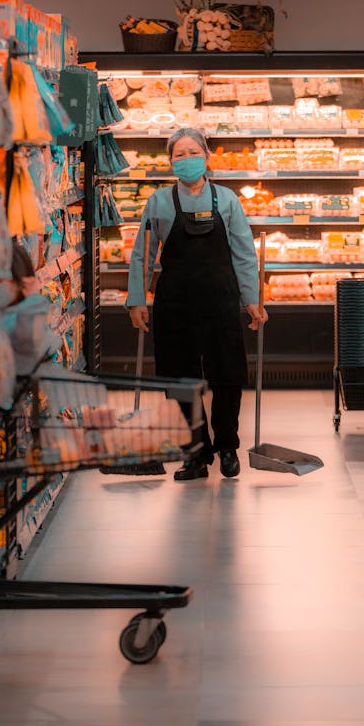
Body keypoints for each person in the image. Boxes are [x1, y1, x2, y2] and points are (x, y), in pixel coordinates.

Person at [126, 127, 268, 480]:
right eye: (179, 154)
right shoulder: (158, 201)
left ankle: (227, 446)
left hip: (221, 299)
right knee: (179, 379)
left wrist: (252, 300)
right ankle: (196, 452)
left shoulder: (228, 199)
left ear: (206, 156)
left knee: (227, 376)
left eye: (193, 152)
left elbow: (244, 255)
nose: (186, 159)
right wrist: (137, 300)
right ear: (170, 161)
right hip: (174, 302)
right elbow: (142, 256)